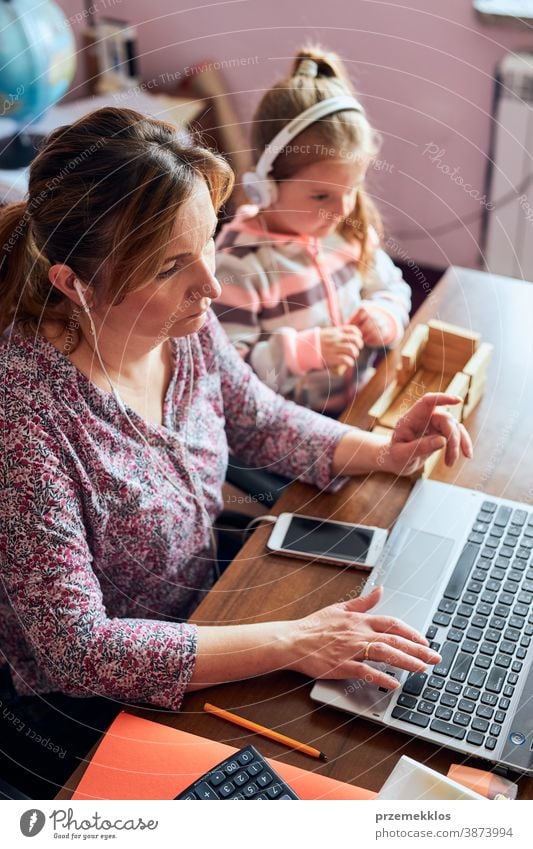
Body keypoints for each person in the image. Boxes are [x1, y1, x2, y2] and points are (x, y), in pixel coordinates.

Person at [0, 106, 471, 798]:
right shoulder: (25, 420)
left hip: (207, 605)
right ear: (75, 283)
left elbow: (255, 414)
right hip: (84, 706)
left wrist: (384, 448)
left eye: (207, 244)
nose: (212, 287)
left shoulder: (180, 325)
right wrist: (293, 642)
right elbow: (77, 650)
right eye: (169, 267)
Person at [214, 44, 411, 417]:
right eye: (321, 195)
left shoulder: (345, 234)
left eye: (350, 190)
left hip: (355, 410)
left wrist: (385, 315)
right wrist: (301, 352)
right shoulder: (238, 263)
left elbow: (391, 287)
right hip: (286, 437)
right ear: (266, 185)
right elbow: (228, 374)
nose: (340, 210)